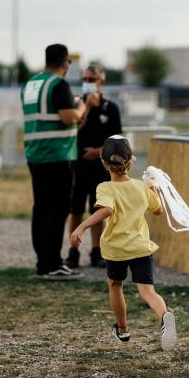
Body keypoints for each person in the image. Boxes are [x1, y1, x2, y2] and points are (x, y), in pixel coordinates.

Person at [70, 136, 177, 349]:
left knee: (115, 285)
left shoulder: (105, 188)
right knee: (147, 291)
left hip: (116, 249)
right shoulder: (141, 187)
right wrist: (153, 189)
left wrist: (81, 226)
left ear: (103, 162)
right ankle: (164, 315)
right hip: (140, 247)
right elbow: (158, 210)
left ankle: (122, 328)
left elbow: (107, 209)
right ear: (132, 160)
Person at [22, 43, 88, 280]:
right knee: (58, 210)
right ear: (65, 62)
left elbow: (46, 116)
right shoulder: (58, 84)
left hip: (35, 153)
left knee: (41, 209)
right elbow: (68, 117)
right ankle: (53, 264)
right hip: (57, 154)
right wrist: (82, 106)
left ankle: (43, 262)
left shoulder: (31, 84)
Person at [65, 64, 123, 269]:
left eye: (91, 79)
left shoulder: (110, 108)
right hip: (77, 165)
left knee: (97, 209)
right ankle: (73, 251)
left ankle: (96, 251)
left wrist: (98, 151)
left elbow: (116, 139)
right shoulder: (77, 104)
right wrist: (87, 106)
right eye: (85, 79)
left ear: (101, 82)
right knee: (75, 209)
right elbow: (72, 128)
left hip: (100, 166)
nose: (87, 83)